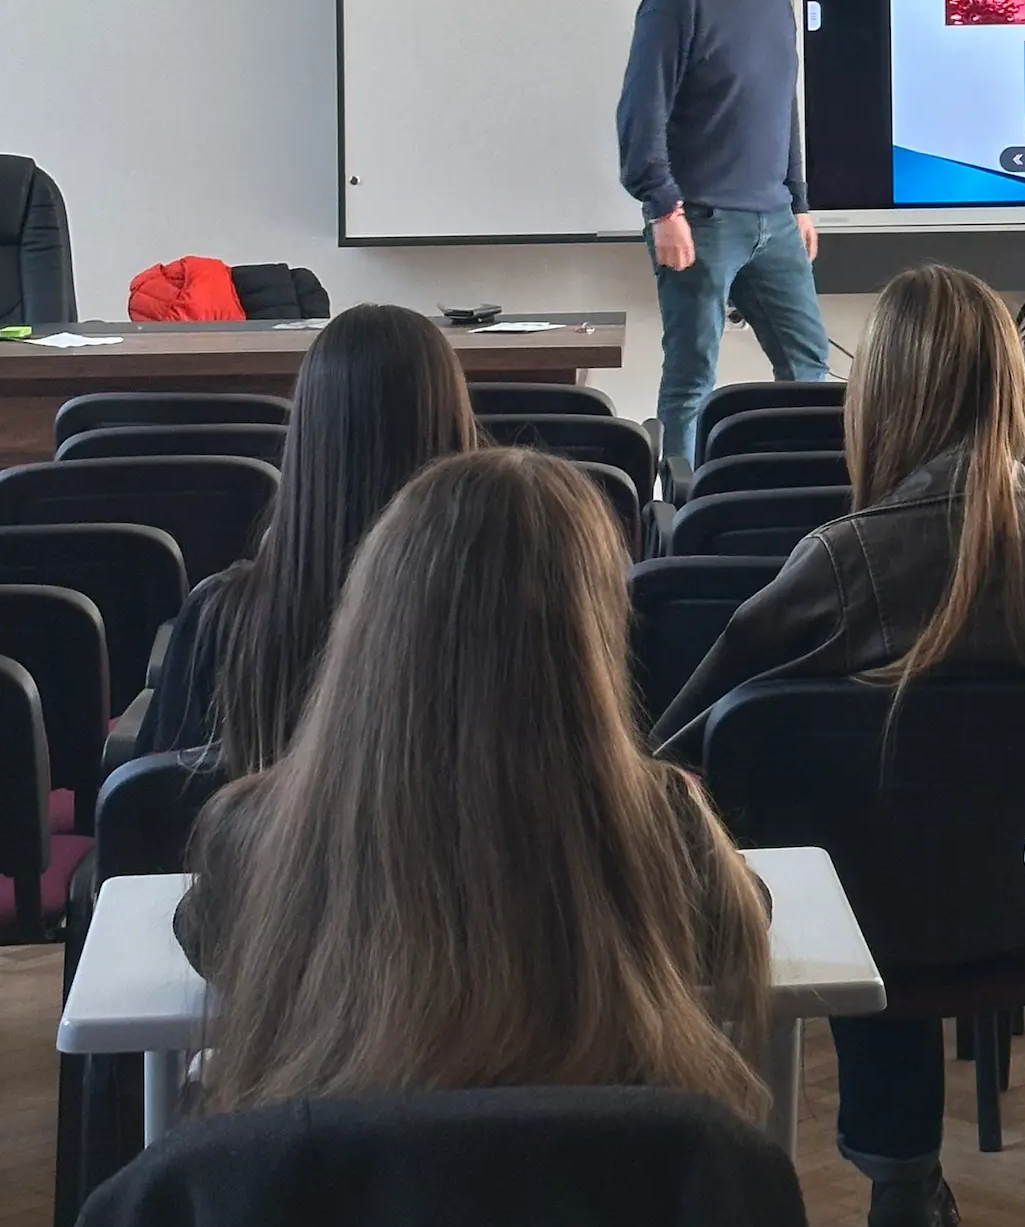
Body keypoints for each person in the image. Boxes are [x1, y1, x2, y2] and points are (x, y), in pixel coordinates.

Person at [655, 264, 1025, 1227]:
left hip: (870, 939)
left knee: (852, 832)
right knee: (891, 827)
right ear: (1012, 388)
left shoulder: (841, 558)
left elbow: (682, 744)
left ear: (880, 396)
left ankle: (894, 1168)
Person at [180, 449, 771, 1121]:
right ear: (593, 629)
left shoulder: (251, 836)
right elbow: (739, 932)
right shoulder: (666, 828)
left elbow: (206, 947)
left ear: (370, 616)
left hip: (340, 1219)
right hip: (608, 1213)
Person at [142, 302, 479, 769]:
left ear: (307, 437)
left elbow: (152, 808)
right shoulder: (513, 617)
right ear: (456, 432)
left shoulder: (223, 620)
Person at [616, 0, 830, 475]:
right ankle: (684, 510)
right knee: (692, 376)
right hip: (701, 218)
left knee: (807, 365)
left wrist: (799, 200)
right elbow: (641, 108)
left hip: (774, 218)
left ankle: (802, 489)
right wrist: (662, 206)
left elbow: (780, 104)